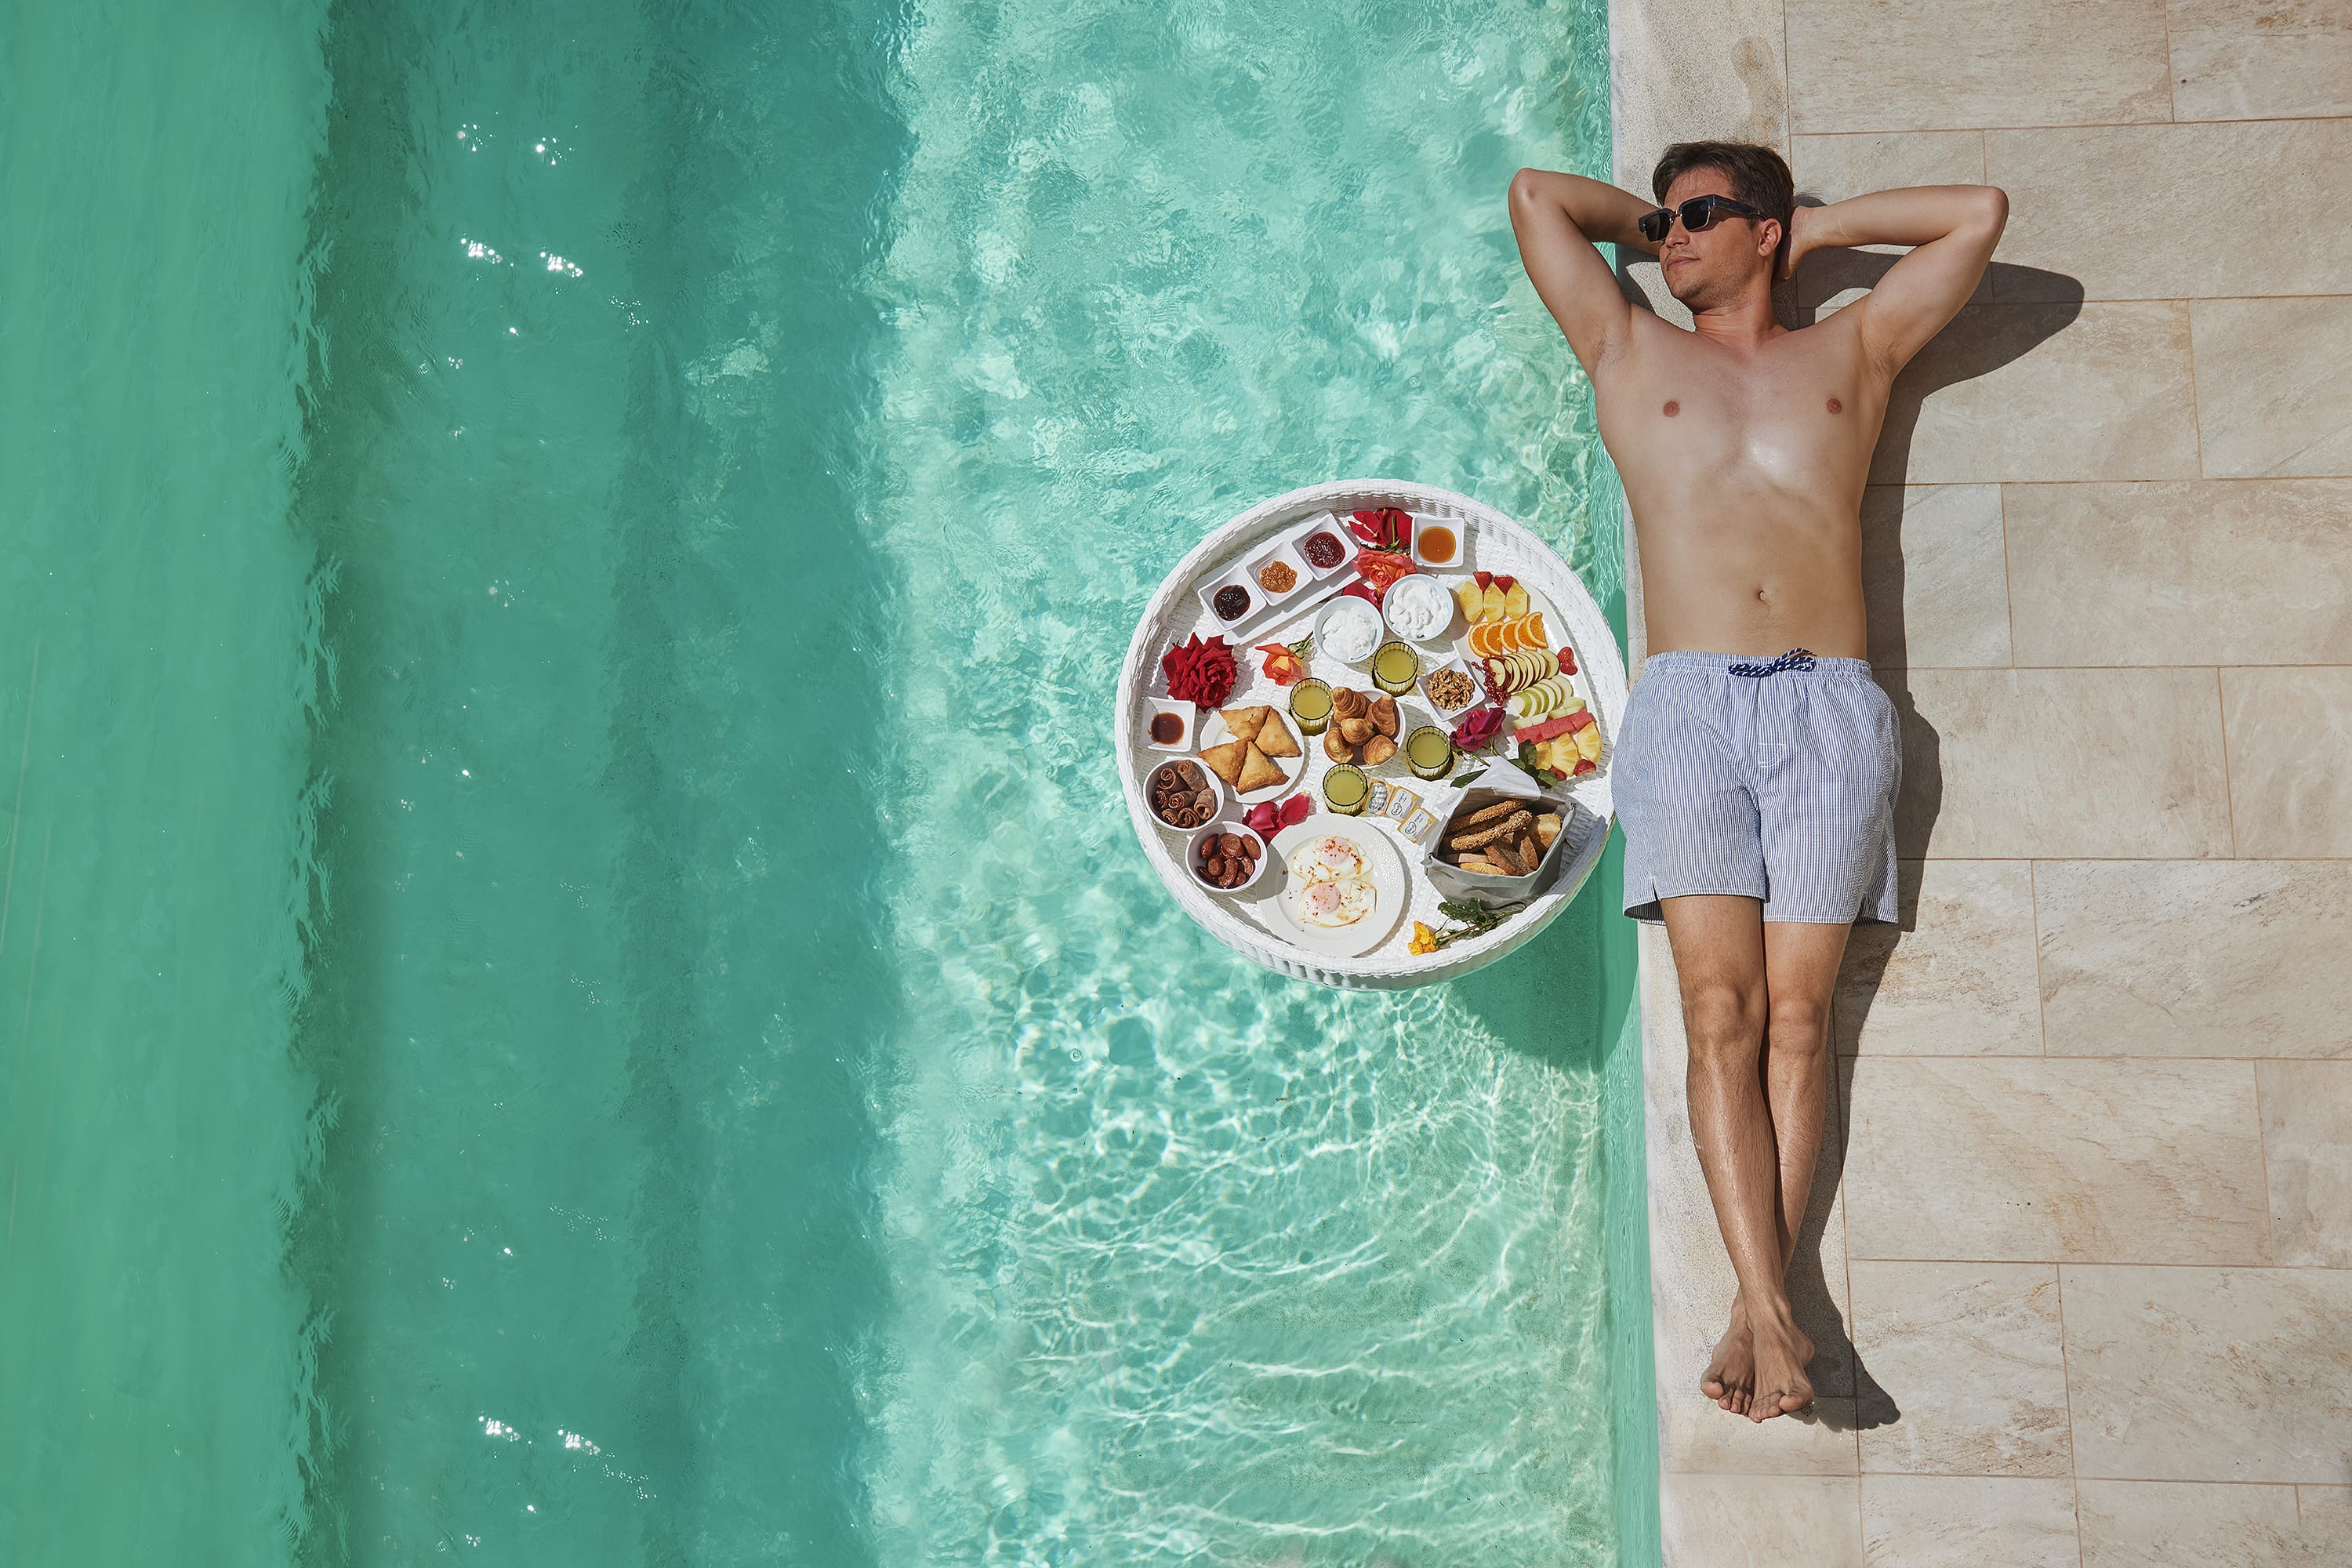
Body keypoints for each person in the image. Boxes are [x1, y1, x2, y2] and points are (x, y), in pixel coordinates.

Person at [1507, 143, 2005, 1421]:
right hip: (1686, 706)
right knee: (1719, 1015)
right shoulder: (1629, 350)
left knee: (1799, 1019)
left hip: (1830, 703)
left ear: (1772, 232)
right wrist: (1667, 219)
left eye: (1700, 216)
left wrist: (1821, 226)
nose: (1668, 238)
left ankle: (1754, 1309)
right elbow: (1535, 197)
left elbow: (1974, 212)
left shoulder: (1851, 351)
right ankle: (1776, 1309)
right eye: (1661, 220)